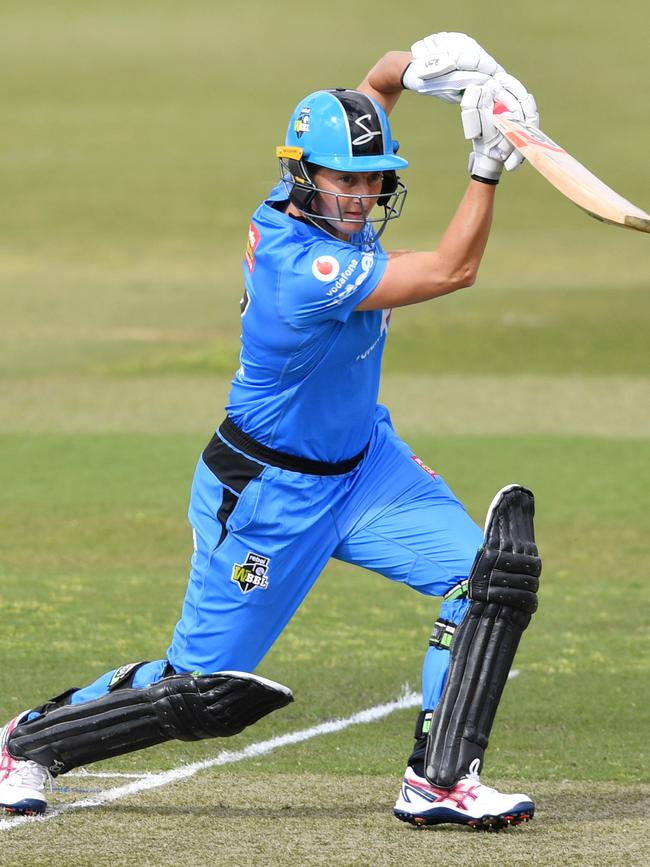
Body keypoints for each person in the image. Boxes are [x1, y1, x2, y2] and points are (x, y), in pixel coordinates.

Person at [0, 32, 542, 829]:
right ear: (303, 179)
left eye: (374, 182)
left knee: (490, 576)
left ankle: (440, 779)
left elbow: (359, 110)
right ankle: (26, 743)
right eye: (344, 184)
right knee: (201, 688)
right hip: (266, 493)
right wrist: (487, 165)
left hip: (366, 468)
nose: (361, 200)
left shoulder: (327, 207)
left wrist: (404, 66)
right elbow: (453, 269)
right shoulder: (306, 269)